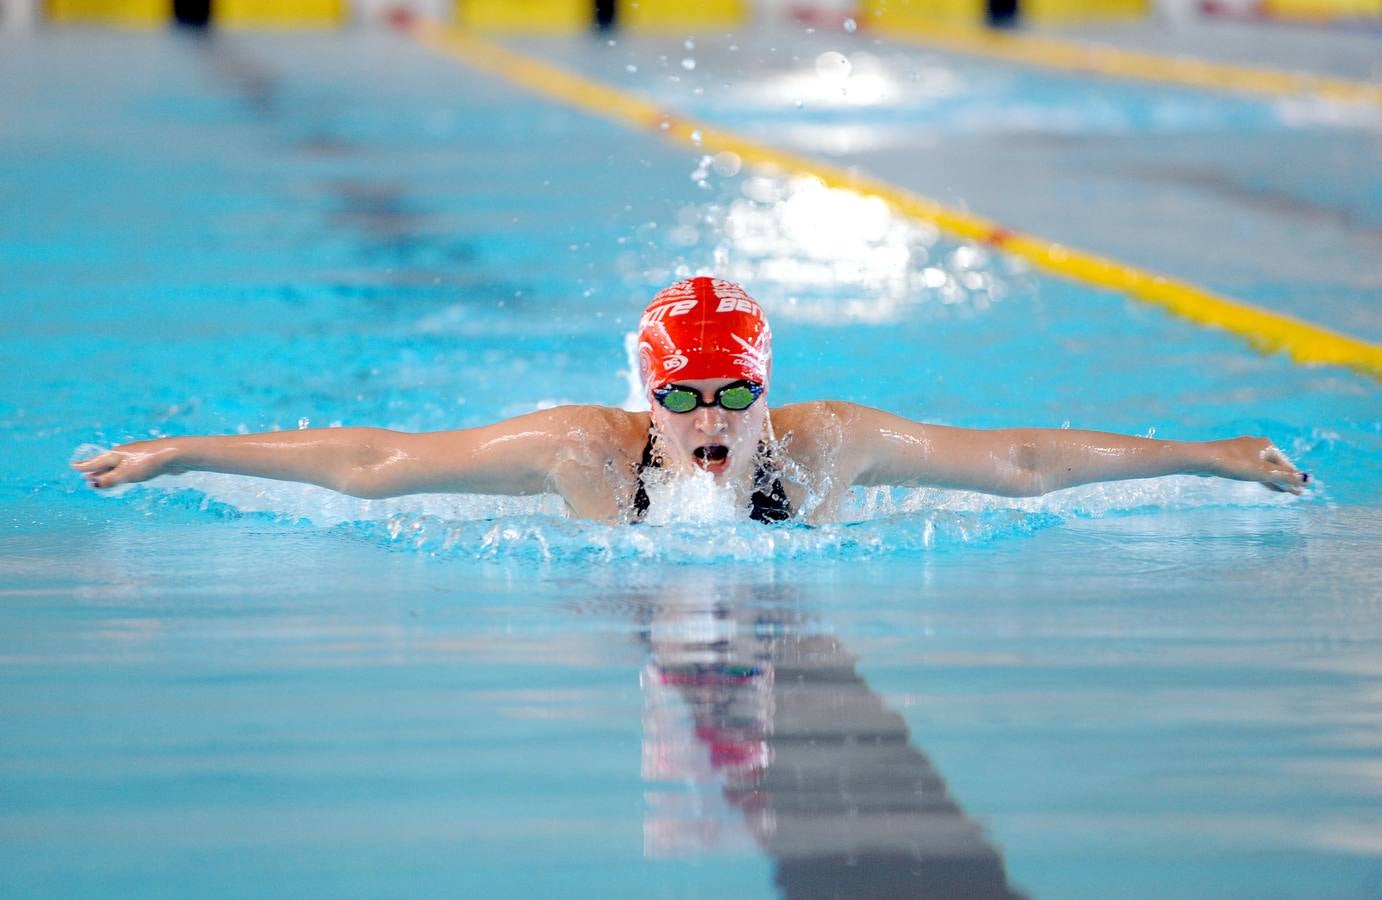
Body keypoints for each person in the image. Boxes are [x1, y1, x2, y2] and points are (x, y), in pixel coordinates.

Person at [72, 277, 1308, 524]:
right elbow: (374, 464)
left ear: (765, 393)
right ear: (646, 394)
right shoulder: (580, 454)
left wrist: (1209, 456)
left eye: (731, 396)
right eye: (683, 396)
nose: (708, 419)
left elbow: (1023, 463)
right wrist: (182, 452)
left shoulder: (832, 447)